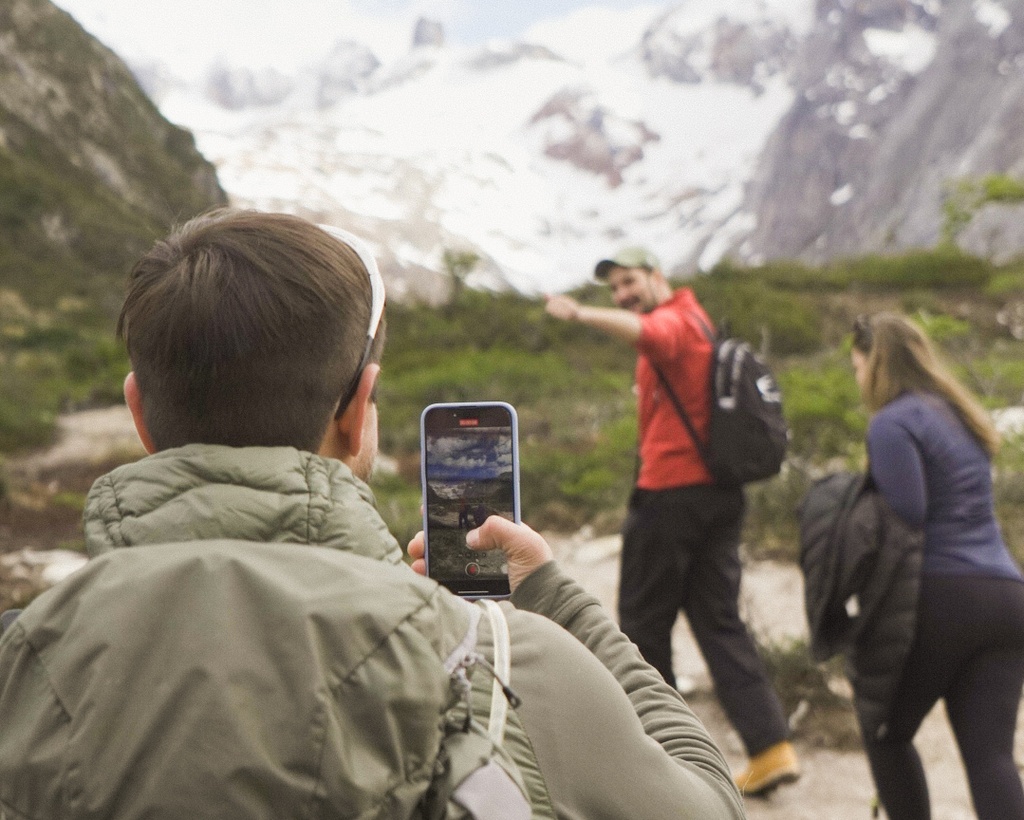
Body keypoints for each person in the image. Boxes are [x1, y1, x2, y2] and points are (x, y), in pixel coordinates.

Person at [0, 210, 745, 819]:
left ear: (140, 412)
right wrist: (554, 601)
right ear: (360, 415)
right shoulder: (510, 662)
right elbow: (711, 807)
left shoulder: (19, 662)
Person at [544, 246, 799, 796]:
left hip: (670, 497)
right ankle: (771, 747)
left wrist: (582, 313)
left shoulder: (677, 323)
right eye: (613, 289)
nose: (622, 295)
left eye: (630, 282)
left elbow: (649, 334)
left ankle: (656, 760)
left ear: (658, 279)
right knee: (718, 620)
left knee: (642, 626)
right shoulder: (699, 321)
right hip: (717, 496)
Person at [850, 312, 1024, 820]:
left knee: (885, 732)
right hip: (1007, 595)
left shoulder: (891, 422)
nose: (857, 379)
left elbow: (910, 508)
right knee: (991, 757)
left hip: (942, 596)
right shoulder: (958, 414)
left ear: (875, 363)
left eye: (857, 367)